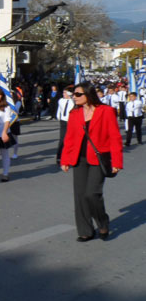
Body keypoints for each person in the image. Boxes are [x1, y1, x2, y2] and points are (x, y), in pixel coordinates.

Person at [61, 83, 122, 241]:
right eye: (73, 94)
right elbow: (69, 137)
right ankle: (85, 231)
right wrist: (65, 159)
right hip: (79, 159)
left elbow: (115, 137)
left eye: (78, 94)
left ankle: (102, 222)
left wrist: (116, 161)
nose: (74, 97)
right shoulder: (74, 113)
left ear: (88, 95)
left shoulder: (106, 111)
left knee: (92, 194)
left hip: (98, 158)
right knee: (80, 196)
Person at [56, 87, 75, 165]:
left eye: (65, 92)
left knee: (71, 139)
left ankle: (70, 157)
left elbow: (75, 104)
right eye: (63, 92)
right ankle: (59, 157)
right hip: (63, 121)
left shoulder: (72, 101)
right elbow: (59, 109)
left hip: (71, 121)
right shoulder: (61, 100)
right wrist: (58, 116)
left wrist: (71, 96)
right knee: (62, 139)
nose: (63, 94)